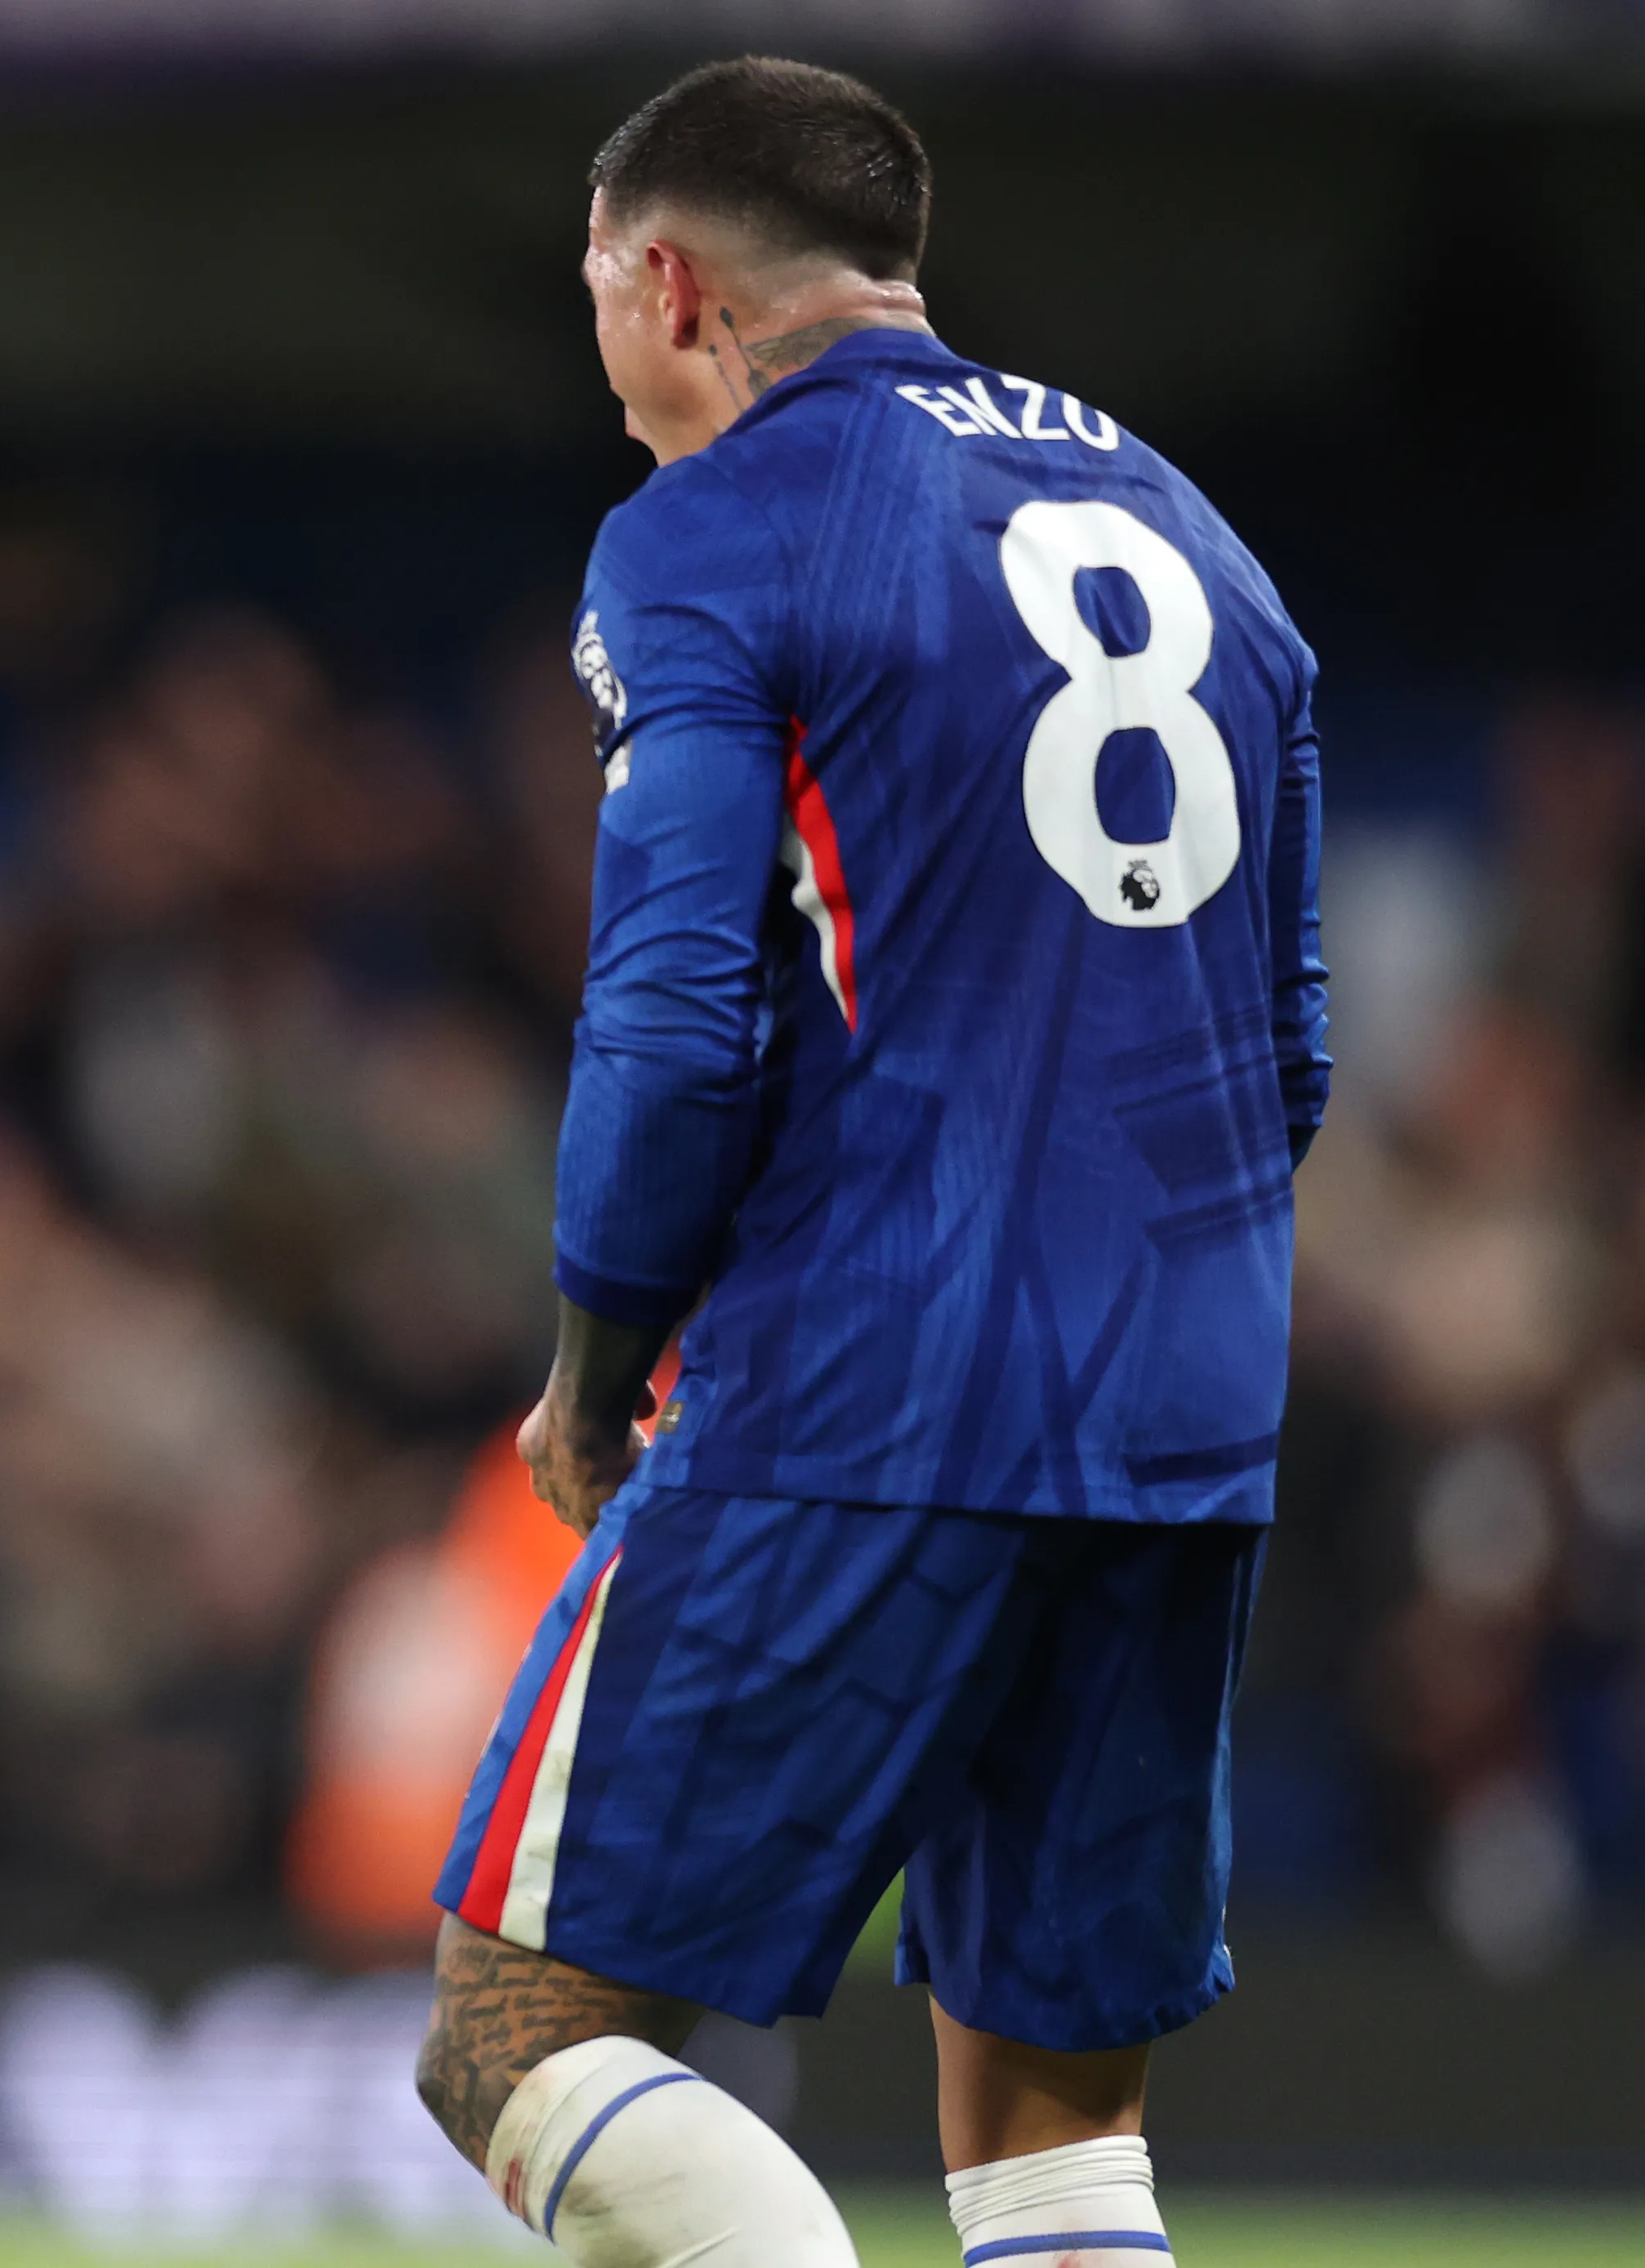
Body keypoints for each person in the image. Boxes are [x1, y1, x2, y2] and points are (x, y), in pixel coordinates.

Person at [417, 57, 1326, 2268]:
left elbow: (666, 1009)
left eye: (596, 303)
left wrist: (595, 1347)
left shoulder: (719, 525)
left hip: (871, 1369)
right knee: (1044, 2108)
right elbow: (1288, 1043)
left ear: (666, 285)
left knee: (509, 2031)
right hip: (1185, 1393)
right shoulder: (1199, 534)